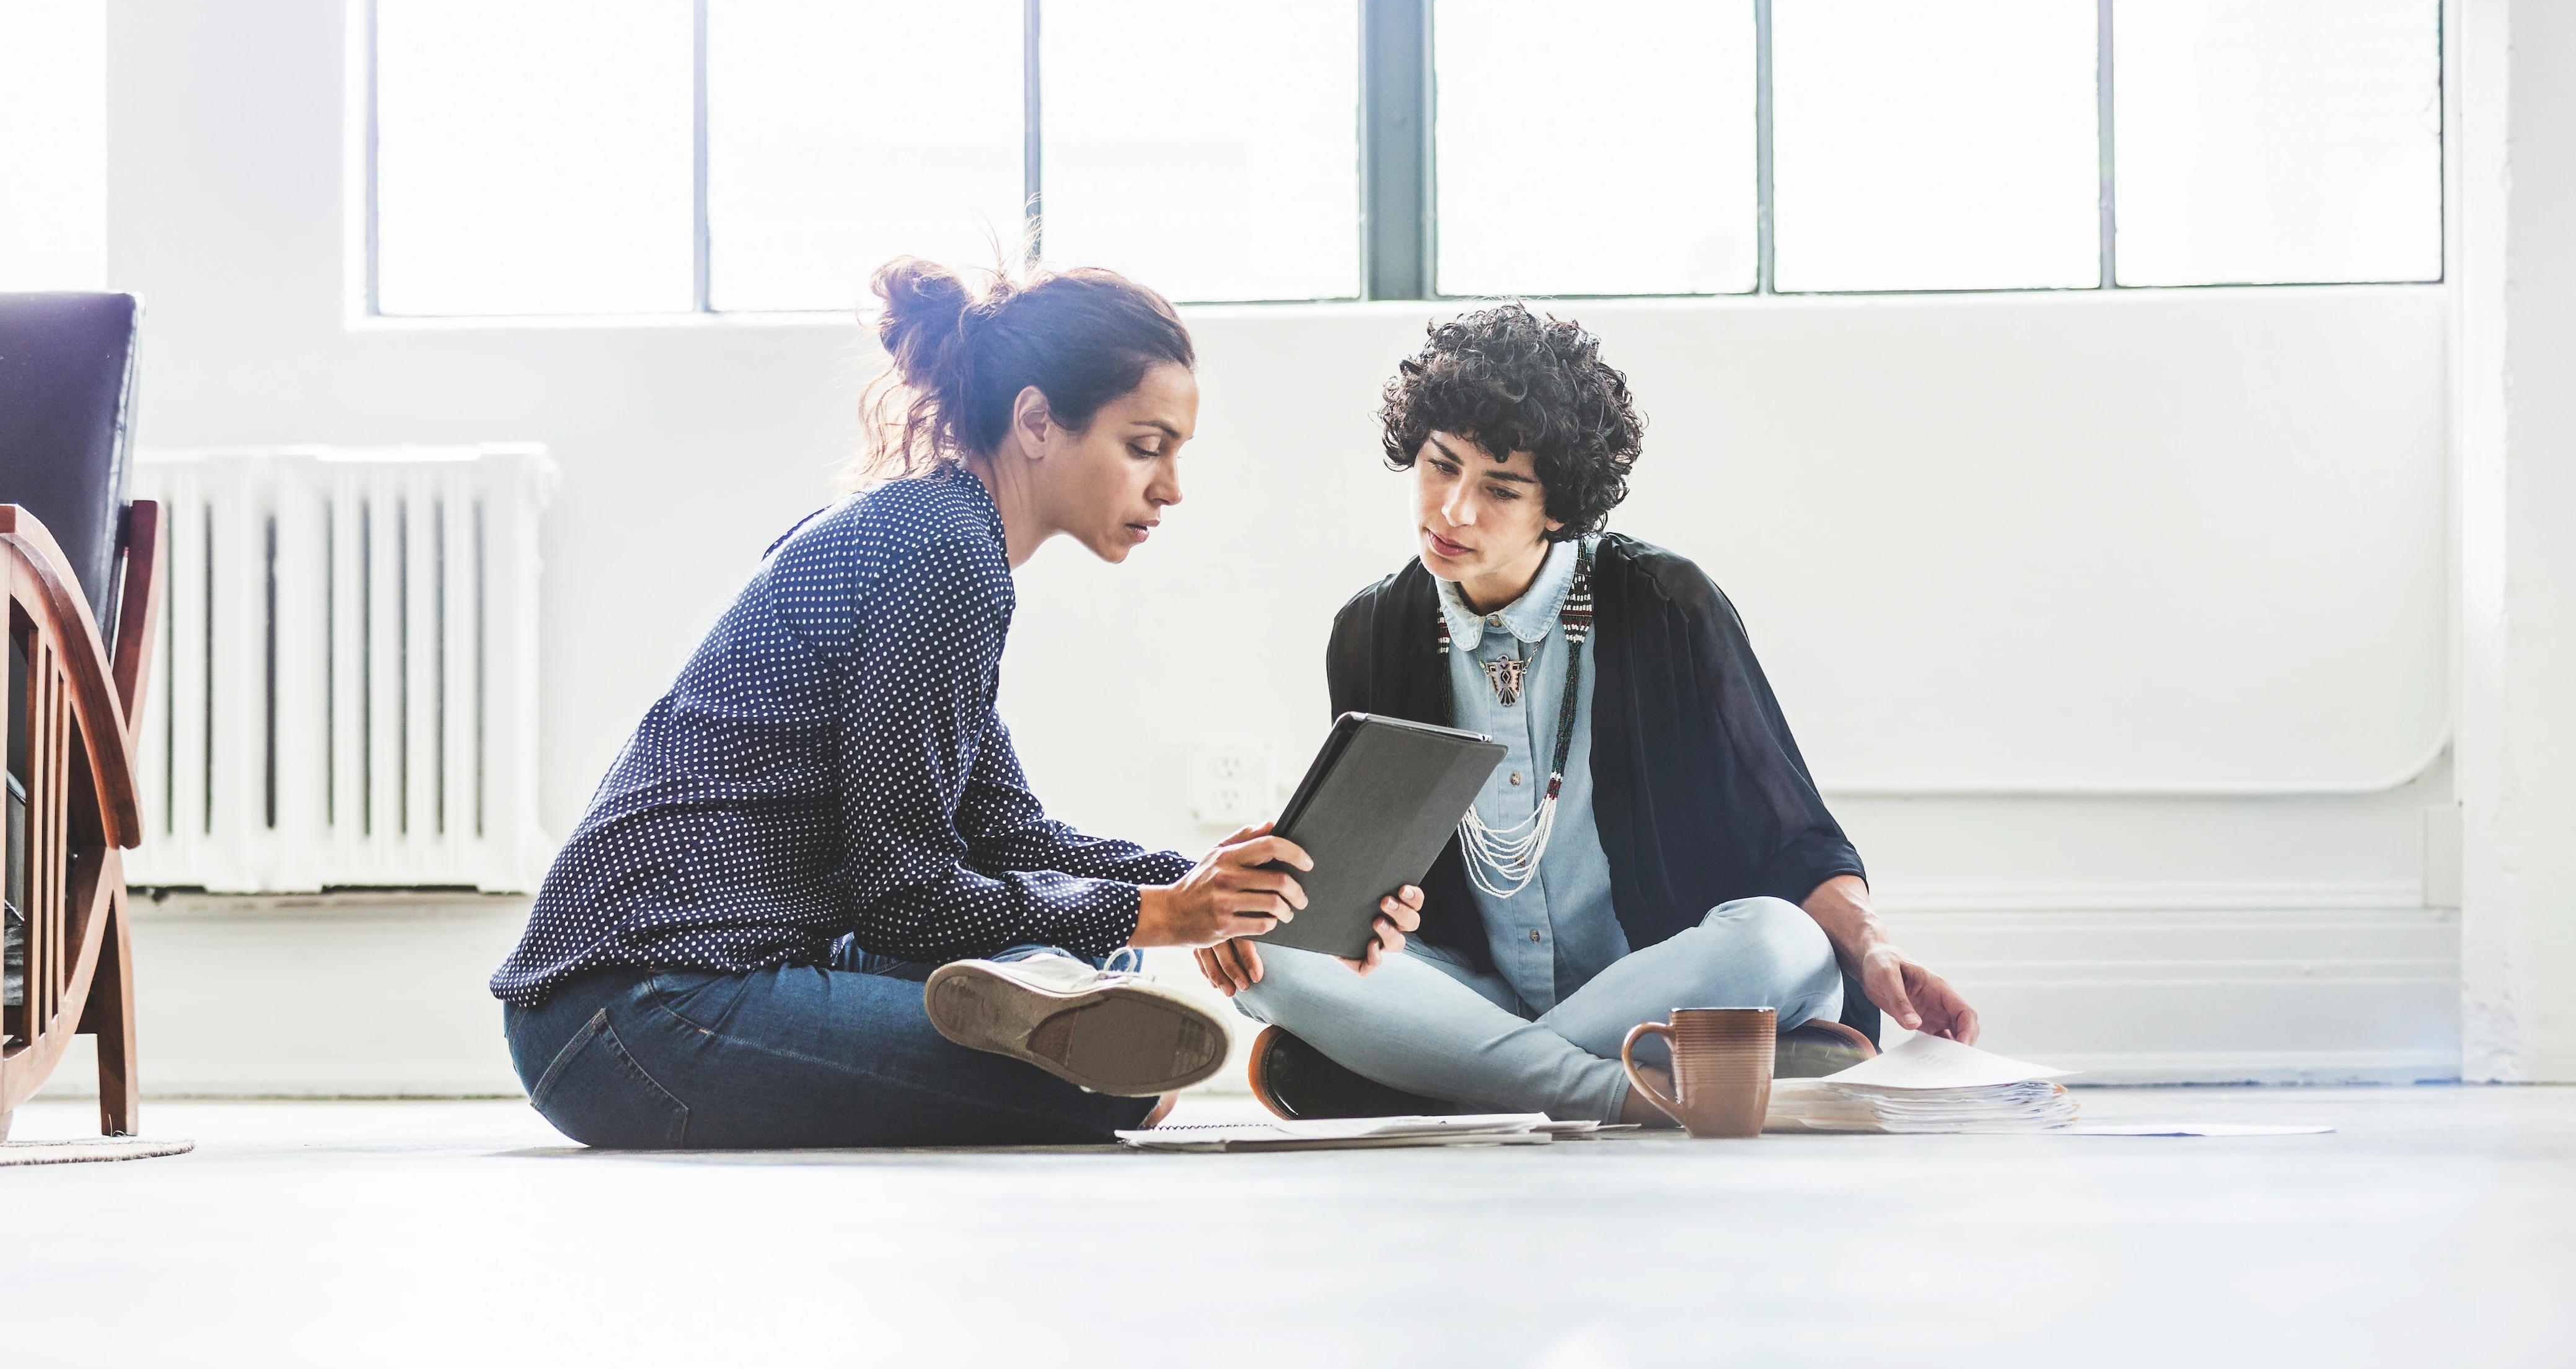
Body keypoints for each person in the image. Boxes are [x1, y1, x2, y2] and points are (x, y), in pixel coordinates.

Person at [494, 256, 1420, 1150]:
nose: (1171, 488)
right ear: (1036, 421)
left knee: (1111, 971)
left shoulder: (934, 531)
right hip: (637, 1011)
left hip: (663, 987)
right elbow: (904, 897)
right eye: (1145, 447)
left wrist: (1214, 886)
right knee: (1124, 1070)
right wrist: (1169, 912)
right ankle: (1043, 997)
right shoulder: (943, 555)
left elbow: (1009, 833)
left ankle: (1041, 985)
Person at [1202, 302, 1976, 1125]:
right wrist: (1282, 886)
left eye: (1500, 488)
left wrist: (1874, 945)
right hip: (1479, 986)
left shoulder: (1665, 604)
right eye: (1440, 465)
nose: (1453, 509)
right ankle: (1622, 1088)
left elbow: (1795, 840)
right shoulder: (1372, 631)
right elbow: (1372, 884)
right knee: (1268, 951)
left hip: (1666, 974)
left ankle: (1450, 1072)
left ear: (1561, 507)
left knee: (1780, 940)